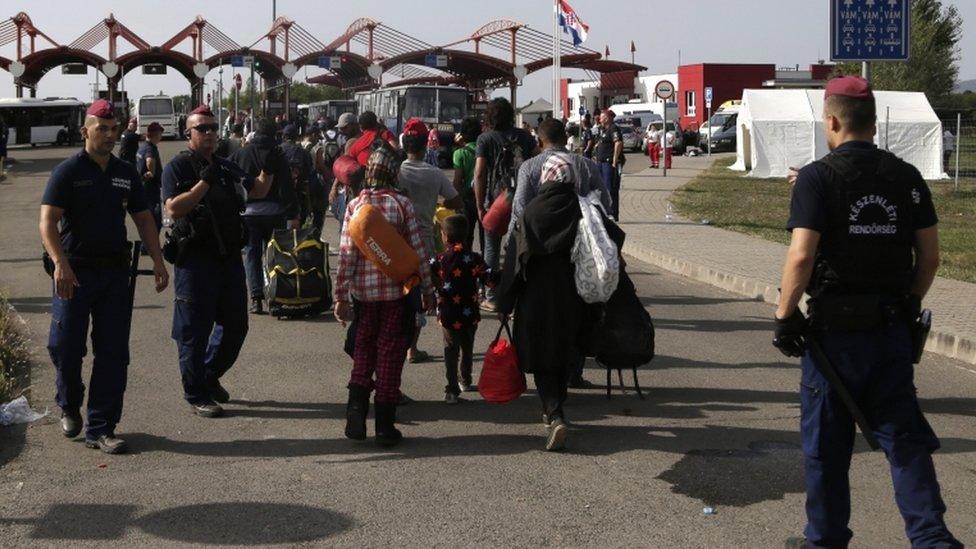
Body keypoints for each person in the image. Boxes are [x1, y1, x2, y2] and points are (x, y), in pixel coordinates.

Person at [773, 76, 962, 549]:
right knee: (904, 441)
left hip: (832, 338)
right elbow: (931, 257)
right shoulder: (906, 175)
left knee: (826, 448)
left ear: (832, 121)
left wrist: (784, 314)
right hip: (890, 331)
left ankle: (825, 540)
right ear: (873, 124)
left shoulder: (818, 177)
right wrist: (909, 302)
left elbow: (801, 257)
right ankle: (932, 538)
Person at [39, 99, 169, 454]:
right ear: (86, 130)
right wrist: (60, 264)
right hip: (74, 273)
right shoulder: (68, 171)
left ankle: (101, 427)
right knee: (66, 347)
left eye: (114, 129)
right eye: (102, 129)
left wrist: (158, 260)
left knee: (113, 352)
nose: (110, 135)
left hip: (114, 273)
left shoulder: (125, 172)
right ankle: (69, 403)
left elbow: (143, 218)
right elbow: (48, 222)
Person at [162, 105, 274, 418]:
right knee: (194, 332)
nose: (210, 133)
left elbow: (260, 189)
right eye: (203, 129)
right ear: (189, 134)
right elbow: (172, 209)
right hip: (195, 261)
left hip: (227, 259)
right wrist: (203, 184)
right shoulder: (178, 168)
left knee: (236, 326)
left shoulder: (225, 166)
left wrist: (269, 166)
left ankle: (208, 375)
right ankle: (196, 393)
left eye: (213, 128)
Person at [334, 147, 434, 447]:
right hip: (395, 295)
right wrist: (428, 291)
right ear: (393, 173)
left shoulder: (355, 206)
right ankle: (385, 426)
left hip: (364, 297)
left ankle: (355, 409)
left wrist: (340, 296)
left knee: (364, 350)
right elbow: (418, 254)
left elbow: (346, 255)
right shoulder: (402, 205)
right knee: (390, 355)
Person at [498, 153, 589, 452]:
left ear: (546, 177)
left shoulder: (531, 212)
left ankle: (554, 412)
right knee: (563, 350)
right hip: (573, 294)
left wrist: (505, 301)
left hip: (535, 296)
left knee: (541, 354)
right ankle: (556, 408)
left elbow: (515, 257)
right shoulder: (583, 209)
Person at [398, 118, 465, 364]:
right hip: (423, 242)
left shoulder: (397, 170)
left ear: (404, 143)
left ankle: (397, 343)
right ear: (427, 145)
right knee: (419, 294)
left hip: (395, 242)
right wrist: (438, 204)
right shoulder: (435, 173)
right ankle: (412, 348)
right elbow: (457, 202)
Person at [473, 97, 539, 311]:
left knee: (491, 248)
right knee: (518, 247)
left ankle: (492, 296)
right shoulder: (526, 137)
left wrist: (479, 205)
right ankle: (517, 296)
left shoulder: (485, 139)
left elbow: (480, 172)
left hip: (495, 200)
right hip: (522, 199)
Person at [229, 118, 299, 314]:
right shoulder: (278, 154)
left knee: (252, 254)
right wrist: (293, 213)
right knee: (275, 255)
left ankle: (256, 298)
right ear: (274, 134)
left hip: (248, 213)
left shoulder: (241, 153)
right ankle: (276, 295)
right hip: (275, 213)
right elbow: (286, 185)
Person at [428, 215, 496, 403]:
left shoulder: (440, 259)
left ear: (444, 236)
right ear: (467, 236)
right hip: (469, 312)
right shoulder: (474, 259)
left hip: (448, 312)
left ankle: (451, 389)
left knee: (450, 349)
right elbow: (490, 279)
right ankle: (465, 379)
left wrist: (436, 290)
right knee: (467, 346)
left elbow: (427, 275)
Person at [452, 117, 482, 250]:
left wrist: (456, 201)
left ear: (462, 134)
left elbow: (457, 181)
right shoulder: (485, 149)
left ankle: (468, 264)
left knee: (466, 236)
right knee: (485, 236)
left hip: (467, 199)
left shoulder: (459, 153)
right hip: (484, 197)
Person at [281, 123, 315, 226]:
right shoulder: (304, 153)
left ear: (284, 136)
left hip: (279, 198)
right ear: (297, 137)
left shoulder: (277, 150)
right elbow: (307, 179)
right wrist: (309, 204)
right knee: (297, 233)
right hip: (298, 198)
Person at [593, 110, 623, 219]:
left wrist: (615, 160)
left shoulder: (613, 128)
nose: (599, 119)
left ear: (606, 118)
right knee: (602, 189)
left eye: (601, 117)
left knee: (610, 189)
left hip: (608, 163)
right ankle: (605, 211)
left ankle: (612, 213)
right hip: (600, 163)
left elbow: (618, 143)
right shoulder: (602, 130)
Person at [135, 122, 165, 232]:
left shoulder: (142, 147)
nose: (161, 137)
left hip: (143, 187)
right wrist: (151, 172)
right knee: (155, 222)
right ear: (156, 134)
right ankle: (148, 248)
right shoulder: (150, 148)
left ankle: (147, 247)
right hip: (150, 188)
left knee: (148, 220)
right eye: (160, 134)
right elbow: (150, 160)